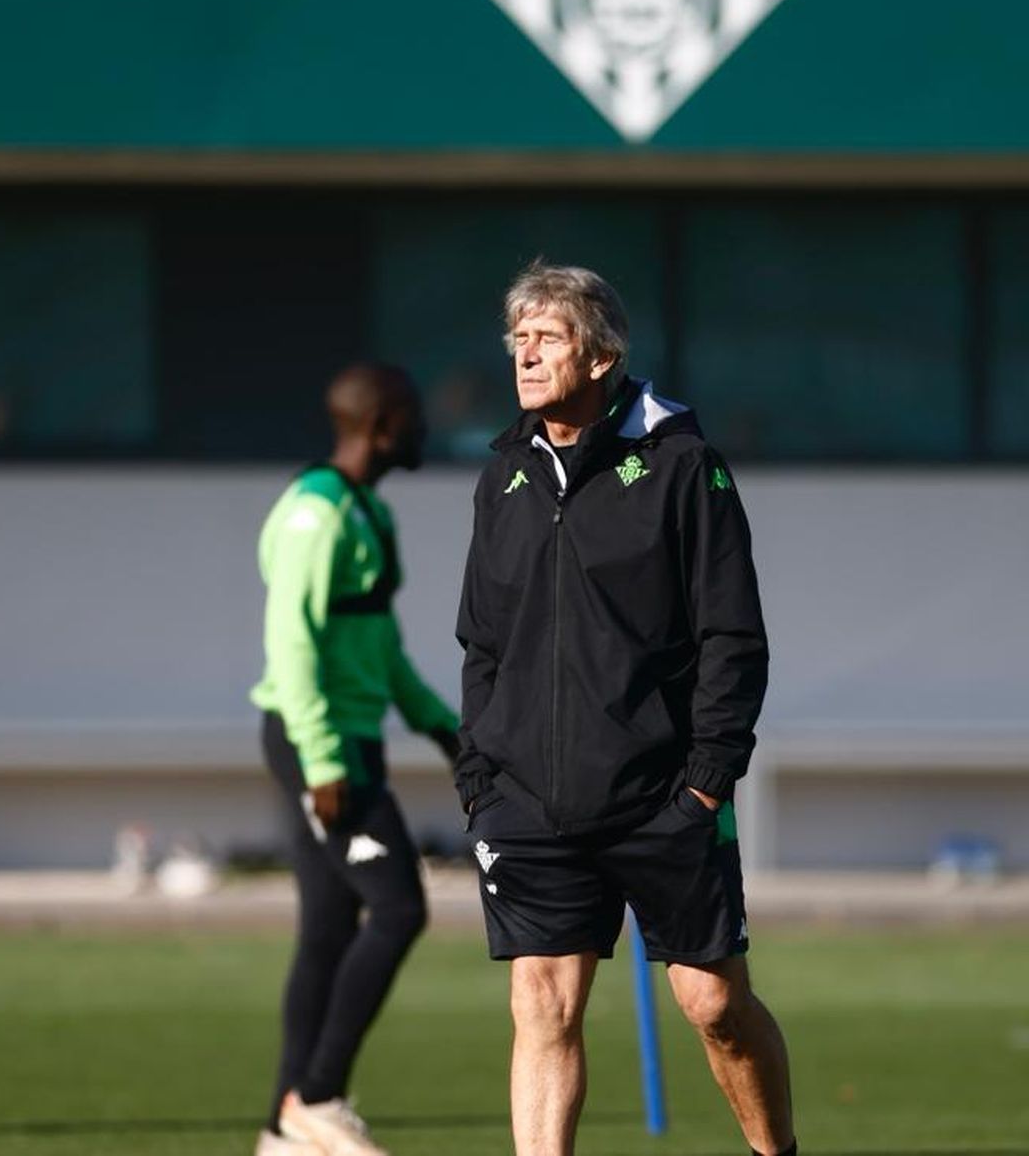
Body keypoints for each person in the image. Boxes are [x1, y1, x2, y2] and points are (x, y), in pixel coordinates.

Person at [455, 263, 796, 1156]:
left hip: (663, 797)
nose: (526, 356)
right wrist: (481, 775)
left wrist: (706, 783)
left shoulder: (684, 465)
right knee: (542, 1003)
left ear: (601, 356)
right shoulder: (503, 475)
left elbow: (733, 637)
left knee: (713, 1005)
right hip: (525, 799)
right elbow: (483, 643)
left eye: (548, 338)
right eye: (518, 339)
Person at [250, 363, 462, 1156]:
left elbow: (381, 647)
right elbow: (291, 643)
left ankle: (283, 1130)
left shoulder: (367, 511)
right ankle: (319, 1096)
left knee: (329, 929)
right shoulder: (317, 515)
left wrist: (442, 727)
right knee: (399, 908)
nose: (424, 430)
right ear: (380, 427)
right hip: (322, 746)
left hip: (347, 740)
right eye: (413, 416)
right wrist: (324, 762)